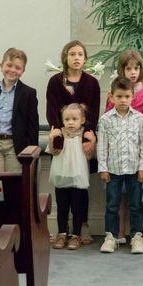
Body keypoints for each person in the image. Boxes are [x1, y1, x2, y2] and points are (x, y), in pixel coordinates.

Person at [46, 40, 100, 245]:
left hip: (82, 141)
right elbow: (52, 110)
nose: (76, 57)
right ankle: (62, 231)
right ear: (65, 57)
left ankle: (80, 228)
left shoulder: (92, 83)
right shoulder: (55, 82)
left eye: (80, 54)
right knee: (62, 189)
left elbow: (93, 111)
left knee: (80, 187)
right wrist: (57, 135)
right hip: (63, 141)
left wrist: (89, 136)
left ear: (85, 59)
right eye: (72, 54)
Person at [104, 50, 143, 245]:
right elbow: (107, 117)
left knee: (136, 194)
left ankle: (137, 233)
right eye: (128, 68)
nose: (133, 72)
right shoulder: (116, 91)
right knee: (118, 196)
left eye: (136, 68)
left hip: (140, 147)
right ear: (122, 70)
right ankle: (118, 232)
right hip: (118, 150)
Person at [98, 77, 143, 254]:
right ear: (111, 97)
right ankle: (111, 237)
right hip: (113, 170)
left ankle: (136, 236)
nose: (123, 100)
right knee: (112, 204)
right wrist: (103, 168)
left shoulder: (139, 118)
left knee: (135, 204)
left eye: (127, 96)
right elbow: (102, 146)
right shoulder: (105, 120)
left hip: (135, 169)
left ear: (132, 97)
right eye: (119, 96)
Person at [0, 48, 38, 172]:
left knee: (14, 182)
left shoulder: (28, 93)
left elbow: (33, 126)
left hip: (16, 146)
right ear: (1, 66)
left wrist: (32, 152)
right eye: (9, 65)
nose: (12, 70)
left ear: (23, 71)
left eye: (18, 68)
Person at [48, 103, 93, 250]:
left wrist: (92, 141)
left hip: (78, 176)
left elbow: (90, 155)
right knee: (62, 207)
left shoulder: (84, 135)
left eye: (74, 119)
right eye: (67, 119)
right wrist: (51, 138)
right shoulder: (59, 134)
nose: (71, 122)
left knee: (77, 207)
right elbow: (53, 151)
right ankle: (61, 233)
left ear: (83, 120)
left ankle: (76, 235)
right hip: (61, 175)